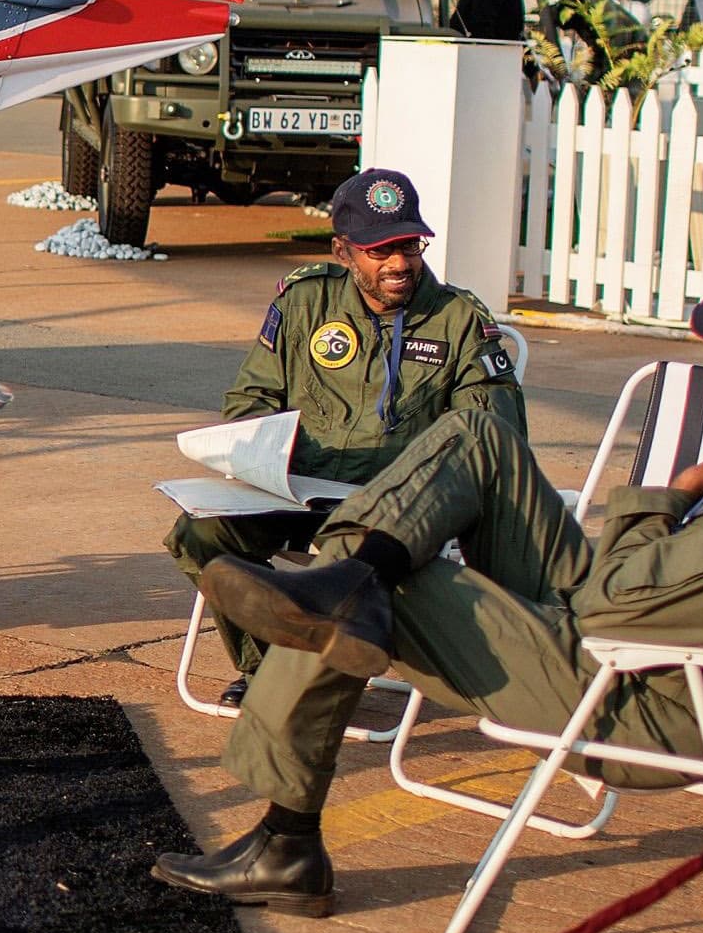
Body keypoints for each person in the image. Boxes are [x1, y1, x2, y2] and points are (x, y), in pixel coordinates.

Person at [150, 260, 703, 915]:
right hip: (643, 631)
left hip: (642, 698)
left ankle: (287, 843)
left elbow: (615, 597)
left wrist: (676, 490)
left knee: (368, 605)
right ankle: (354, 570)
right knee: (473, 438)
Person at [172, 169, 522, 708]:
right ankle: (269, 669)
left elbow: (494, 435)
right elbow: (250, 400)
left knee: (357, 559)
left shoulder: (458, 320)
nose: (400, 263)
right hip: (298, 491)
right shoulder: (304, 303)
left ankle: (300, 680)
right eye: (380, 250)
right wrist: (260, 458)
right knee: (200, 536)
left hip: (395, 510)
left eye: (409, 245)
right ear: (343, 251)